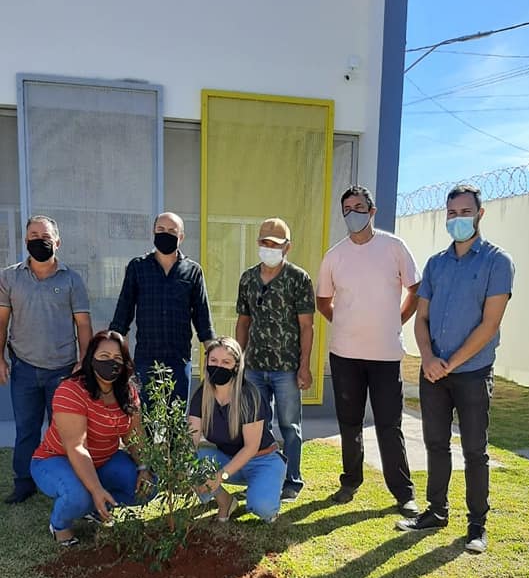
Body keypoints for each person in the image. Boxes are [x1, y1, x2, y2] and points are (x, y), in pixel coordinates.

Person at [396, 184, 514, 553]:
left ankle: (477, 525)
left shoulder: (497, 262)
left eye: (465, 212)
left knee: (475, 450)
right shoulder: (436, 264)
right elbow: (421, 318)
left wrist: (451, 364)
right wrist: (429, 359)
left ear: (480, 214)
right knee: (436, 444)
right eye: (451, 213)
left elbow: (489, 325)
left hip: (473, 373)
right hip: (435, 373)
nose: (457, 219)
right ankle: (436, 511)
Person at [316, 186, 420, 515]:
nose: (352, 213)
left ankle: (404, 494)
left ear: (372, 211)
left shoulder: (394, 248)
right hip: (345, 355)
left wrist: (397, 319)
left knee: (389, 425)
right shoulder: (335, 255)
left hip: (386, 355)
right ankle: (350, 481)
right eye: (347, 208)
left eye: (359, 207)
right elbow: (322, 300)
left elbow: (415, 288)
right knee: (350, 423)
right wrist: (344, 322)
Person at [0, 215, 92, 504]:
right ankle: (24, 482)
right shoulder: (9, 277)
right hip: (24, 368)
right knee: (26, 429)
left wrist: (83, 362)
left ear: (58, 241)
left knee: (65, 431)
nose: (40, 240)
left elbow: (84, 325)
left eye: (46, 235)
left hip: (62, 371)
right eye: (34, 235)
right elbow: (2, 322)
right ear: (26, 240)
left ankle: (63, 483)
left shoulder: (71, 279)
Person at [31, 330, 153, 546]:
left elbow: (134, 435)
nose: (111, 363)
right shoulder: (71, 391)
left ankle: (96, 508)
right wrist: (96, 490)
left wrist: (143, 467)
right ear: (91, 358)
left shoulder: (127, 392)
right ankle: (60, 524)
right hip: (57, 459)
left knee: (146, 488)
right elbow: (76, 446)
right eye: (104, 357)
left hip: (103, 460)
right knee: (80, 496)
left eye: (118, 358)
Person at [235, 217, 314, 502]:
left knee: (290, 426)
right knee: (257, 426)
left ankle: (291, 480)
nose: (268, 248)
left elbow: (307, 326)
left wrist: (304, 366)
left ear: (287, 247)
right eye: (264, 243)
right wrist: (238, 361)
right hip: (254, 367)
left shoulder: (298, 279)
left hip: (287, 370)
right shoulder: (248, 279)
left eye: (275, 244)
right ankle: (261, 477)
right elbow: (243, 322)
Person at [110, 211, 215, 405]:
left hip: (179, 359)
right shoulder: (138, 267)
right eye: (161, 229)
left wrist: (213, 353)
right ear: (153, 232)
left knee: (175, 419)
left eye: (172, 230)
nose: (165, 233)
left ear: (181, 237)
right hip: (145, 360)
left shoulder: (193, 271)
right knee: (144, 419)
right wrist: (117, 354)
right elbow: (123, 314)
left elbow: (202, 316)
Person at [188, 336, 286, 522]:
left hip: (262, 459)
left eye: (226, 362)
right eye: (214, 361)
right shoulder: (201, 395)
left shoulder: (249, 396)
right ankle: (226, 501)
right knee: (191, 464)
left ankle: (266, 492)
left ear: (236, 366)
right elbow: (191, 439)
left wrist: (221, 475)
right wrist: (180, 468)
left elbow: (250, 447)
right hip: (228, 458)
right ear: (206, 361)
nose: (218, 366)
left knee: (262, 508)